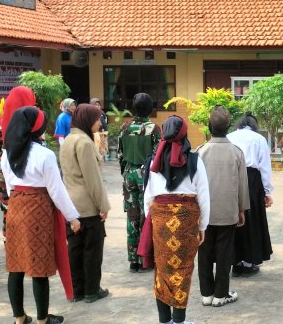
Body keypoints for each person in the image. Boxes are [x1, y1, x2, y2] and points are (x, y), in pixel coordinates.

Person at [1, 106, 81, 324]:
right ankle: (42, 320)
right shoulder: (45, 155)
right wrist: (72, 217)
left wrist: (20, 201)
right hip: (38, 210)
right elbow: (56, 191)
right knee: (39, 267)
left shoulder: (7, 152)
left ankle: (19, 319)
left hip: (15, 208)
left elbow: (10, 187)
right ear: (36, 128)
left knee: (15, 265)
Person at [139, 116, 210, 324]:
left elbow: (148, 197)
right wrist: (203, 225)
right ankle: (179, 320)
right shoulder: (195, 160)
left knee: (162, 269)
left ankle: (164, 320)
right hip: (187, 221)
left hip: (159, 219)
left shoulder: (153, 161)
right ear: (184, 133)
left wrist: (151, 221)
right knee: (183, 269)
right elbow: (204, 196)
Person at [196, 106, 248, 307]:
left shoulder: (200, 152)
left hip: (204, 213)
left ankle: (206, 294)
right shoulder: (236, 152)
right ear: (228, 127)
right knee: (225, 252)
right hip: (228, 211)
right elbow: (242, 185)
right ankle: (221, 295)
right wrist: (242, 209)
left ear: (209, 126)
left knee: (205, 251)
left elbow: (194, 185)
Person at [61, 104, 111, 303]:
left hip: (71, 205)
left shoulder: (67, 141)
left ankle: (77, 290)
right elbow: (93, 179)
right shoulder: (84, 142)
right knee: (92, 249)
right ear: (88, 119)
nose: (99, 122)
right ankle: (91, 290)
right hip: (87, 205)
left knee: (74, 248)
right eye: (97, 118)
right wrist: (103, 205)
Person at [226, 112, 274, 276]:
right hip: (252, 180)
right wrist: (267, 192)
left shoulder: (229, 136)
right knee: (251, 219)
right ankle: (248, 262)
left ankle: (235, 262)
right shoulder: (258, 139)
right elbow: (265, 167)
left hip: (231, 179)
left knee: (233, 220)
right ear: (254, 125)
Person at [119, 93, 161, 272]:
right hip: (146, 176)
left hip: (129, 174)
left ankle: (132, 259)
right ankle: (145, 258)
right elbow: (158, 155)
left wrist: (126, 172)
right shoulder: (154, 128)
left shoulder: (125, 128)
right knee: (147, 215)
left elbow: (120, 155)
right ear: (150, 109)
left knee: (132, 215)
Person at [0, 86, 37, 241]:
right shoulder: (30, 121)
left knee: (7, 207)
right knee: (26, 207)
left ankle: (9, 240)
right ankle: (24, 242)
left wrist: (0, 168)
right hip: (24, 170)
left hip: (2, 171)